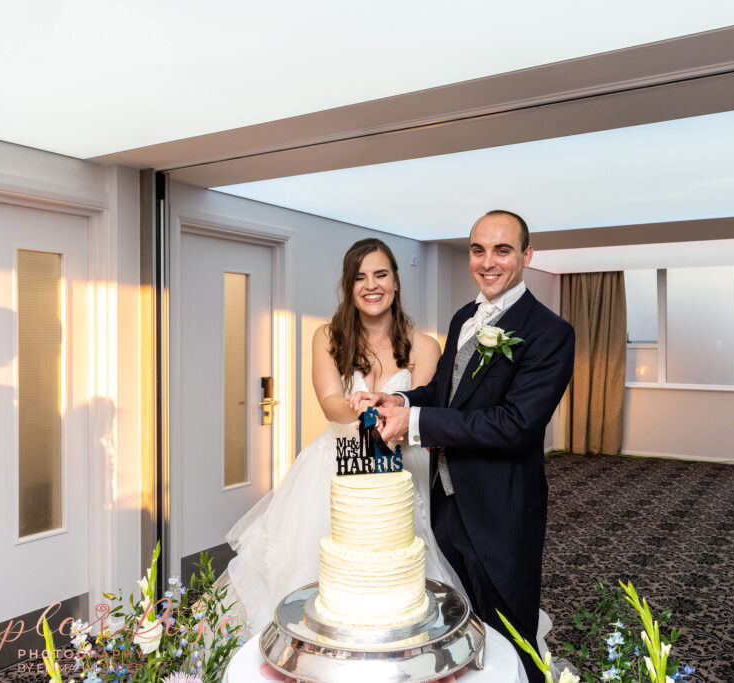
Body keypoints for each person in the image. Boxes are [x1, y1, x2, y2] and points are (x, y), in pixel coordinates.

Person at [351, 210, 574, 683]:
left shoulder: (551, 333)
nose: (487, 262)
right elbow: (445, 397)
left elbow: (515, 425)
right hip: (445, 507)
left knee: (511, 639)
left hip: (501, 514)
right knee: (454, 635)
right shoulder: (463, 318)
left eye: (502, 250)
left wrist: (414, 421)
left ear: (527, 255)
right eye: (478, 250)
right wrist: (400, 399)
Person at [217, 237, 464, 634]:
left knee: (392, 578)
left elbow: (422, 405)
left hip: (400, 464)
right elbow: (330, 401)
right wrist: (360, 408)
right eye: (360, 277)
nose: (372, 285)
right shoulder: (328, 337)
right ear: (349, 286)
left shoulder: (424, 344)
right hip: (334, 462)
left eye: (381, 274)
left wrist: (390, 415)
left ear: (396, 282)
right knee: (320, 579)